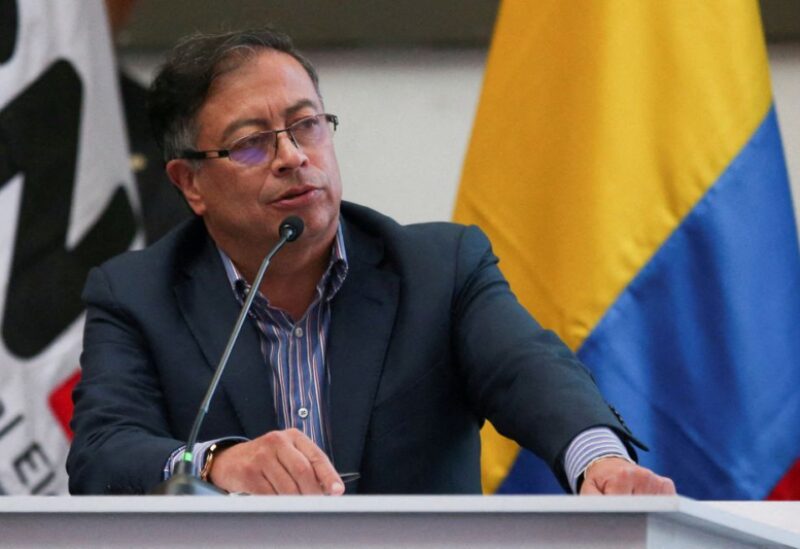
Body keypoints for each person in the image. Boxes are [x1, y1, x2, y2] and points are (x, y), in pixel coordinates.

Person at [66, 28, 675, 496]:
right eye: (252, 142)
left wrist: (600, 461)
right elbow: (101, 453)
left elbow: (531, 373)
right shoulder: (135, 295)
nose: (291, 157)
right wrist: (218, 462)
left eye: (306, 125)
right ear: (189, 183)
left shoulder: (441, 269)